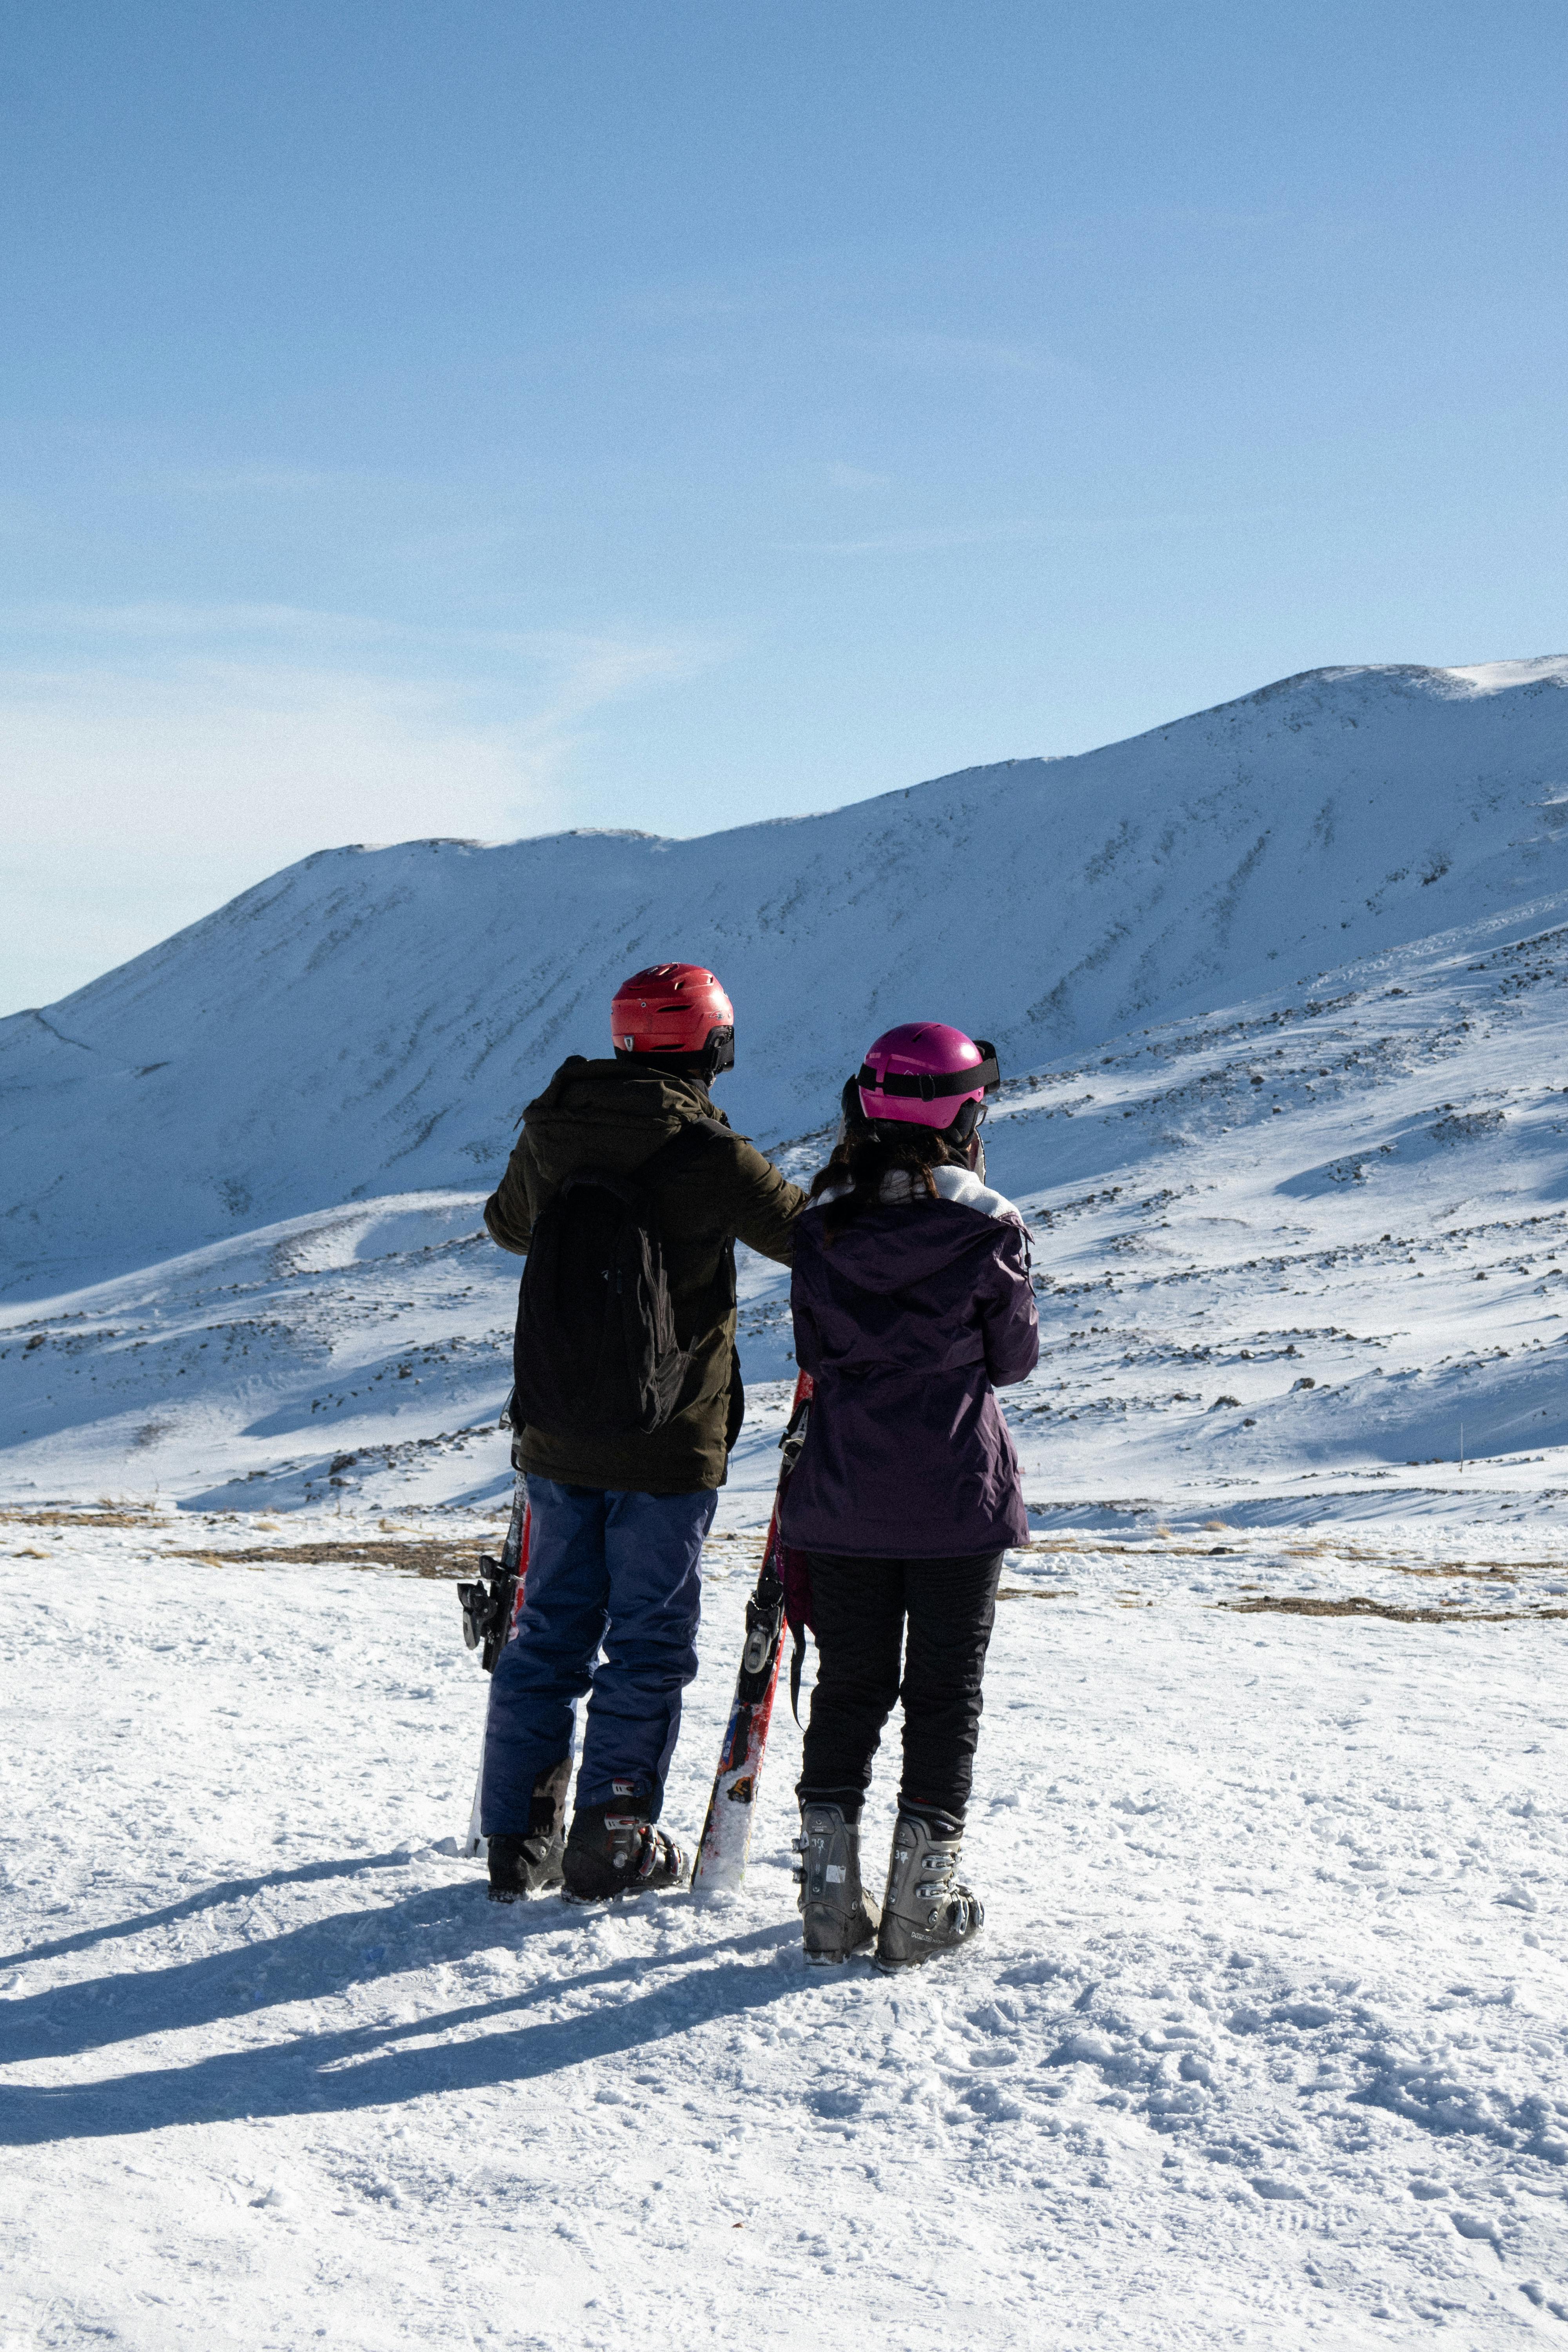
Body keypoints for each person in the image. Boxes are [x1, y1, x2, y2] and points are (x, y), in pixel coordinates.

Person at [480, 964, 808, 1904]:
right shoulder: (708, 1152)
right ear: (713, 1044)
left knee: (544, 1631)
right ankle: (612, 1835)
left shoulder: (552, 1126)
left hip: (554, 1429)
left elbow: (508, 1227)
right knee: (649, 1637)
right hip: (668, 1443)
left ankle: (517, 1838)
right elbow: (806, 1236)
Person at [781, 1022, 1039, 1968]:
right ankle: (918, 1906)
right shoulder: (989, 1223)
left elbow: (815, 1354)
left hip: (842, 1492)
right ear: (963, 1111)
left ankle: (826, 1898)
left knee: (849, 1687)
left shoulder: (820, 1223)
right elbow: (1011, 1361)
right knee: (943, 1695)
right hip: (952, 1497)